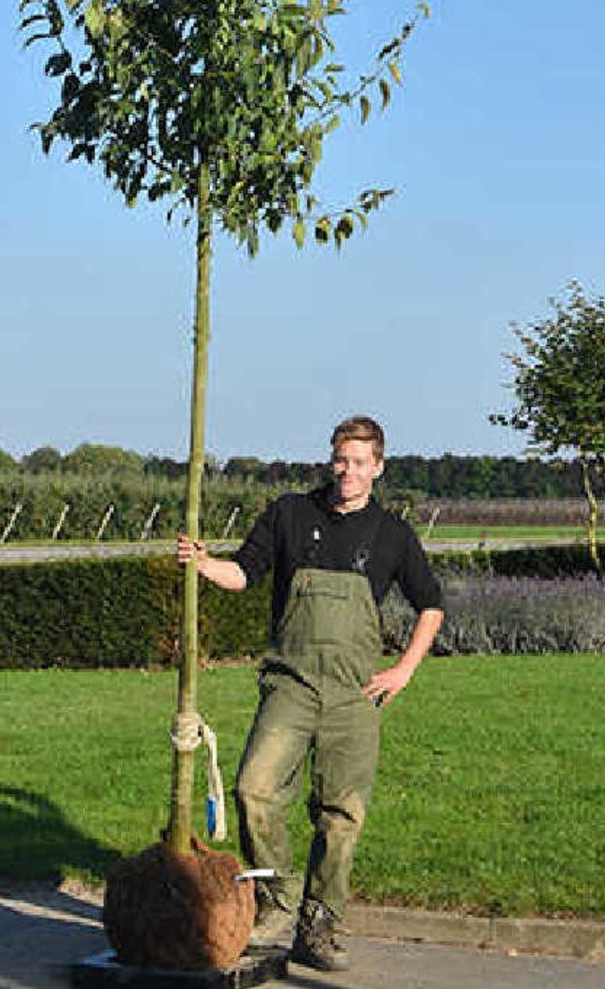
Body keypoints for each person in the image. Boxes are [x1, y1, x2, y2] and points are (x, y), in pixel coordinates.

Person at [177, 414, 444, 971]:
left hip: (353, 695)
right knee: (253, 788)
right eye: (340, 460)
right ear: (331, 460)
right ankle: (277, 898)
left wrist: (403, 672)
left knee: (341, 814)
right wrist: (203, 563)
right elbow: (244, 573)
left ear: (378, 468)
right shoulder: (290, 514)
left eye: (360, 463)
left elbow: (431, 606)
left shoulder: (393, 534)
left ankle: (318, 927)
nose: (348, 472)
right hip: (290, 685)